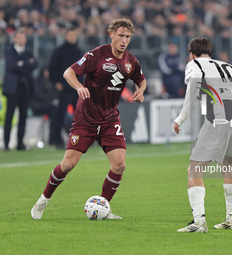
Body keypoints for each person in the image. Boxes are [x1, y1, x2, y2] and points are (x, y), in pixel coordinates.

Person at [31, 19, 147, 220]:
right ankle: (43, 200)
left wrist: (140, 91)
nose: (124, 40)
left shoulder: (131, 61)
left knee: (119, 164)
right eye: (121, 35)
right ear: (111, 34)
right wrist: (79, 87)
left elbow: (141, 80)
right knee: (67, 165)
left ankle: (104, 207)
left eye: (128, 36)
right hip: (86, 119)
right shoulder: (95, 55)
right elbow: (68, 72)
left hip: (110, 119)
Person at [173, 37, 232, 232]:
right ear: (210, 53)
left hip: (219, 118)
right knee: (227, 166)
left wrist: (180, 118)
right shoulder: (230, 67)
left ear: (191, 54)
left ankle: (199, 222)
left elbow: (192, 87)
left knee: (194, 169)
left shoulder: (194, 64)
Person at [2, 29, 38, 151]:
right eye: (19, 37)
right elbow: (12, 66)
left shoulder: (28, 52)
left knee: (23, 117)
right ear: (15, 39)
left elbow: (34, 64)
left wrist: (21, 64)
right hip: (12, 89)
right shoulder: (9, 51)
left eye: (23, 37)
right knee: (9, 116)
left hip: (25, 89)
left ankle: (20, 143)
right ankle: (6, 143)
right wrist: (26, 64)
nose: (21, 40)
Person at [48, 26, 83, 148]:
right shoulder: (59, 51)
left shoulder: (79, 51)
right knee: (60, 115)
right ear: (66, 36)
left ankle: (81, 140)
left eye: (75, 35)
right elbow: (52, 68)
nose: (73, 38)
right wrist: (57, 82)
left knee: (79, 116)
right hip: (64, 88)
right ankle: (57, 140)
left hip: (76, 88)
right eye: (71, 35)